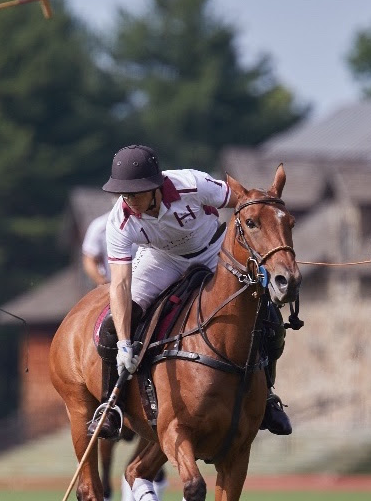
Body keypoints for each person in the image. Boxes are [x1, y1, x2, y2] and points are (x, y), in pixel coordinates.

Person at [96, 144, 292, 439]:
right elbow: (121, 283)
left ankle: (267, 398)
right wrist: (125, 343)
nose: (129, 201)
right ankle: (112, 405)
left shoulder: (192, 184)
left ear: (155, 186)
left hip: (213, 250)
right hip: (161, 259)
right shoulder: (119, 220)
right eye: (124, 194)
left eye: (135, 193)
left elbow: (243, 201)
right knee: (113, 328)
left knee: (270, 318)